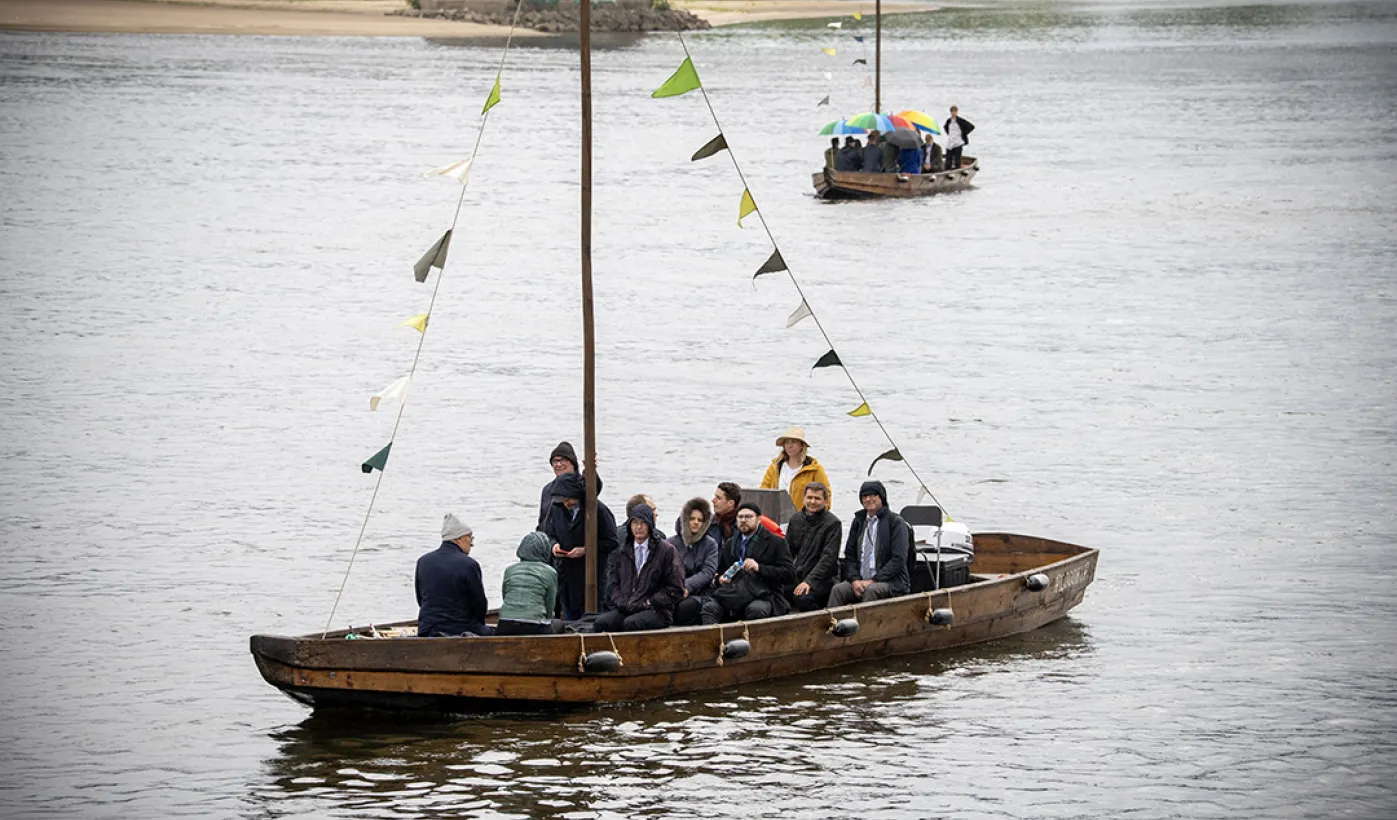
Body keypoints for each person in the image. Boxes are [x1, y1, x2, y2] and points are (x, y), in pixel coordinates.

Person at [700, 502, 795, 624]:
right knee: (710, 608)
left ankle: (756, 643)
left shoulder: (776, 542)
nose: (743, 520)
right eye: (740, 517)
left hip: (765, 594)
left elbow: (789, 575)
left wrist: (759, 568)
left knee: (756, 610)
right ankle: (711, 641)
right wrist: (721, 579)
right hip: (734, 593)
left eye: (748, 517)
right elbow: (720, 572)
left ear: (759, 519)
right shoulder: (730, 544)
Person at [542, 471, 620, 621]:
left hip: (593, 577)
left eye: (568, 499)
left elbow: (612, 542)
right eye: (562, 501)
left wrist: (586, 550)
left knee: (592, 619)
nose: (566, 504)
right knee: (569, 619)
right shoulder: (557, 509)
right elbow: (549, 533)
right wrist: (554, 545)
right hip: (567, 576)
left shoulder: (599, 510)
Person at [594, 505, 685, 632]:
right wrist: (621, 602)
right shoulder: (623, 551)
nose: (638, 527)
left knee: (631, 623)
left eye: (643, 523)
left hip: (657, 610)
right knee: (601, 623)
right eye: (635, 522)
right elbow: (614, 582)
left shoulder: (666, 551)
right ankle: (607, 651)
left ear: (650, 525)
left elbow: (676, 588)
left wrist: (649, 602)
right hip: (627, 607)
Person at [827, 480, 911, 608]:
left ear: (881, 497)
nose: (868, 499)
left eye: (873, 495)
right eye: (865, 496)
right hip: (860, 579)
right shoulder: (859, 521)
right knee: (838, 590)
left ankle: (865, 627)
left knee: (872, 590)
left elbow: (898, 559)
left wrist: (873, 580)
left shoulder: (895, 522)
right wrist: (855, 580)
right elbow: (850, 554)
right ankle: (832, 625)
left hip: (890, 581)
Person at [415, 513, 493, 637]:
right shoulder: (469, 564)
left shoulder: (423, 561)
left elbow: (421, 599)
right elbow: (479, 604)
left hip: (428, 628)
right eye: (470, 538)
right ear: (459, 539)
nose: (472, 544)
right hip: (460, 628)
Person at [784, 482, 842, 611]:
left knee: (803, 598)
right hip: (799, 573)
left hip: (823, 579)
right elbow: (788, 552)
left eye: (817, 498)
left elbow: (828, 558)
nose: (812, 502)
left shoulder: (833, 523)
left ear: (825, 501)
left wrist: (810, 581)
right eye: (809, 498)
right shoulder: (796, 519)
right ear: (804, 499)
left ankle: (818, 624)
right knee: (776, 591)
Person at [497, 531, 564, 635]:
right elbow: (550, 605)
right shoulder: (550, 572)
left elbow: (505, 596)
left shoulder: (509, 570)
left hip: (504, 623)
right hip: (534, 625)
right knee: (559, 624)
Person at [668, 497, 720, 626]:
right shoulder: (670, 543)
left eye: (700, 520)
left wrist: (687, 586)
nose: (696, 522)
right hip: (673, 589)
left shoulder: (710, 544)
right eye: (692, 519)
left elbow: (708, 572)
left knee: (686, 607)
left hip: (699, 592)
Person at [759, 426, 833, 508]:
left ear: (801, 445)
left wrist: (819, 517)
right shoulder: (775, 467)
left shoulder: (815, 469)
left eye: (793, 442)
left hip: (805, 518)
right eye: (787, 442)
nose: (789, 446)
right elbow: (763, 492)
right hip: (776, 516)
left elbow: (826, 495)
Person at [537, 441, 603, 530]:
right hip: (552, 539)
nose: (558, 464)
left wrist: (590, 470)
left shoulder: (581, 483)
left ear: (573, 463)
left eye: (563, 460)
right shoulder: (547, 489)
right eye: (555, 461)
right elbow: (542, 520)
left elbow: (595, 488)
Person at [943, 105, 975, 170]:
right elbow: (945, 127)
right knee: (948, 160)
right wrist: (949, 134)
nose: (953, 113)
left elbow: (971, 127)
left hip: (958, 142)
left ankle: (957, 172)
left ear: (957, 112)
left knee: (957, 160)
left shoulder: (960, 120)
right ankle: (947, 171)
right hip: (950, 142)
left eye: (955, 112)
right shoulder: (949, 121)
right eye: (952, 112)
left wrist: (963, 133)